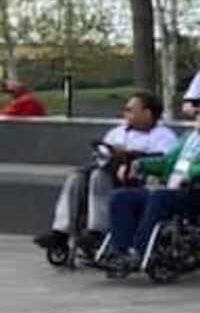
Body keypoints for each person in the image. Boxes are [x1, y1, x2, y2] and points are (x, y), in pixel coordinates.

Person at [98, 96, 200, 273]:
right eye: (197, 113)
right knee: (121, 197)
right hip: (172, 187)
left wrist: (192, 171)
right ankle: (119, 251)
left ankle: (139, 251)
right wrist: (139, 164)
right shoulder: (189, 136)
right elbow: (167, 161)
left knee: (158, 196)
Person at [33, 92, 177, 261]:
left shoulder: (164, 136)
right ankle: (61, 231)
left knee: (98, 177)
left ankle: (97, 230)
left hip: (137, 178)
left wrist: (130, 154)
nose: (125, 113)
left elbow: (163, 161)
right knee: (77, 176)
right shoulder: (117, 132)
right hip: (109, 170)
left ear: (147, 113)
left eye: (130, 110)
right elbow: (101, 155)